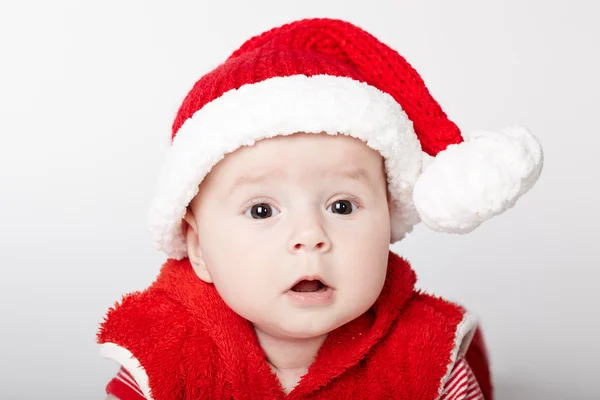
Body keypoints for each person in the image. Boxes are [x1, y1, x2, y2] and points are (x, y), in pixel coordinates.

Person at [98, 18, 543, 400]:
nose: (310, 235)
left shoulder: (428, 358)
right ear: (197, 248)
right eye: (261, 211)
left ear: (389, 218)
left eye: (342, 205)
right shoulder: (164, 354)